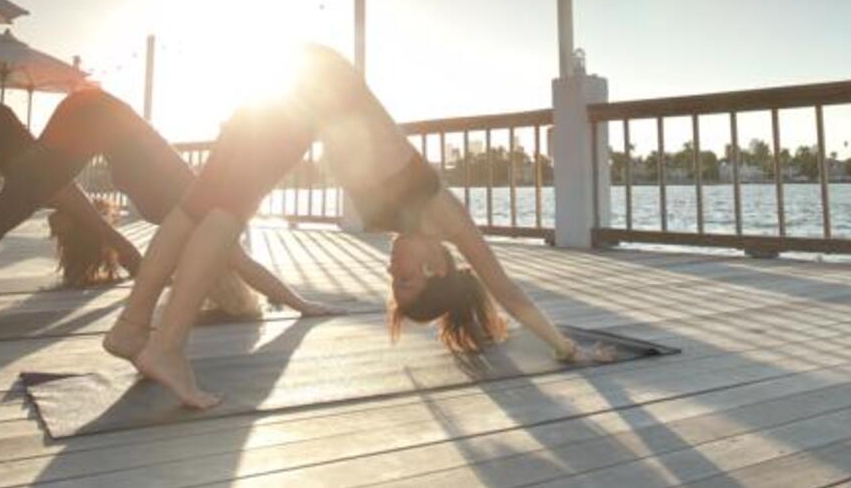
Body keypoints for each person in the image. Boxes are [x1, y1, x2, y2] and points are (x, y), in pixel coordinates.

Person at [105, 44, 611, 409]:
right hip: (313, 89)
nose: (393, 271)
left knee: (198, 204)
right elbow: (506, 288)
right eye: (405, 278)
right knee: (228, 210)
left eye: (394, 283)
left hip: (301, 85)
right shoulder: (445, 217)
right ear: (437, 265)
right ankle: (167, 347)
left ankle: (132, 327)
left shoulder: (405, 227)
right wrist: (566, 348)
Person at [0, 93, 337, 343]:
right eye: (215, 291)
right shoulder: (213, 227)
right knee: (6, 211)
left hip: (93, 115)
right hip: (94, 119)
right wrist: (303, 306)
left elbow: (236, 272)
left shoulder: (194, 220)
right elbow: (250, 269)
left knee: (7, 206)